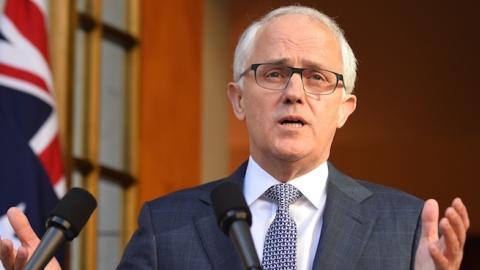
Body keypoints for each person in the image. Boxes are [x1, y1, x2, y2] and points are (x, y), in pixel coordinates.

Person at [0, 5, 470, 270]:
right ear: (238, 99)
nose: (294, 93)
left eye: (318, 79)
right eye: (273, 73)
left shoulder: (406, 227)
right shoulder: (166, 227)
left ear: (345, 109)